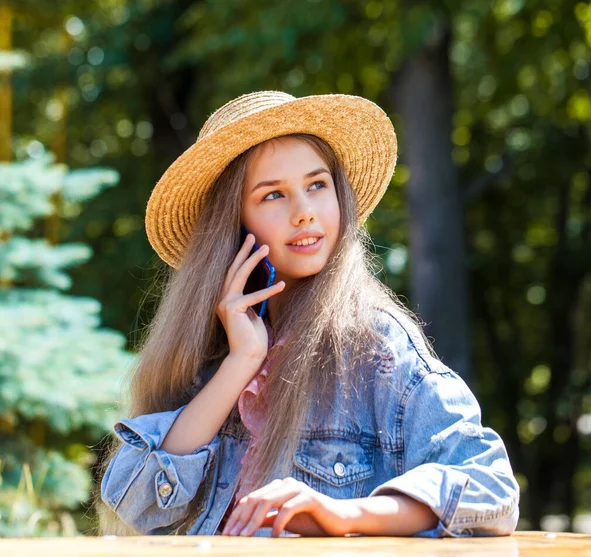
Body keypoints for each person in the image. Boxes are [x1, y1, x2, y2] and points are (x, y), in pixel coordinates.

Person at [96, 91, 520, 538]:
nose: (304, 213)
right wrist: (241, 362)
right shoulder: (217, 351)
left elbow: (492, 490)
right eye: (273, 194)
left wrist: (344, 515)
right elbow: (135, 500)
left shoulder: (375, 347)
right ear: (233, 226)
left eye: (317, 185)